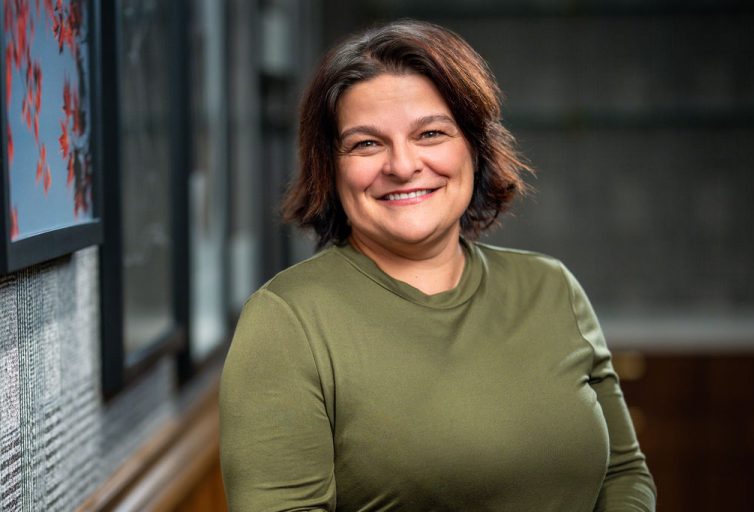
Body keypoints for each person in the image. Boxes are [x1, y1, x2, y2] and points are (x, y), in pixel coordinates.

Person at [219, 19, 656, 512]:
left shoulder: (552, 288)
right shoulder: (286, 321)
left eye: (430, 133)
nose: (403, 166)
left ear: (474, 146)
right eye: (366, 143)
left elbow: (624, 474)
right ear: (331, 167)